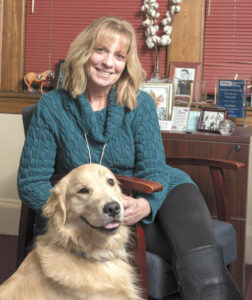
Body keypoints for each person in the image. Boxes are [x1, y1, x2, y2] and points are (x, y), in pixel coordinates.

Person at [17, 15, 243, 300]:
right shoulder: (52, 107)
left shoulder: (141, 103)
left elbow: (155, 169)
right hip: (107, 206)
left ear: (126, 63)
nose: (108, 63)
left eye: (119, 55)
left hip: (163, 190)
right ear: (83, 52)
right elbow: (31, 182)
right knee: (195, 254)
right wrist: (76, 209)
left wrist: (146, 205)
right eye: (100, 50)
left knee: (198, 246)